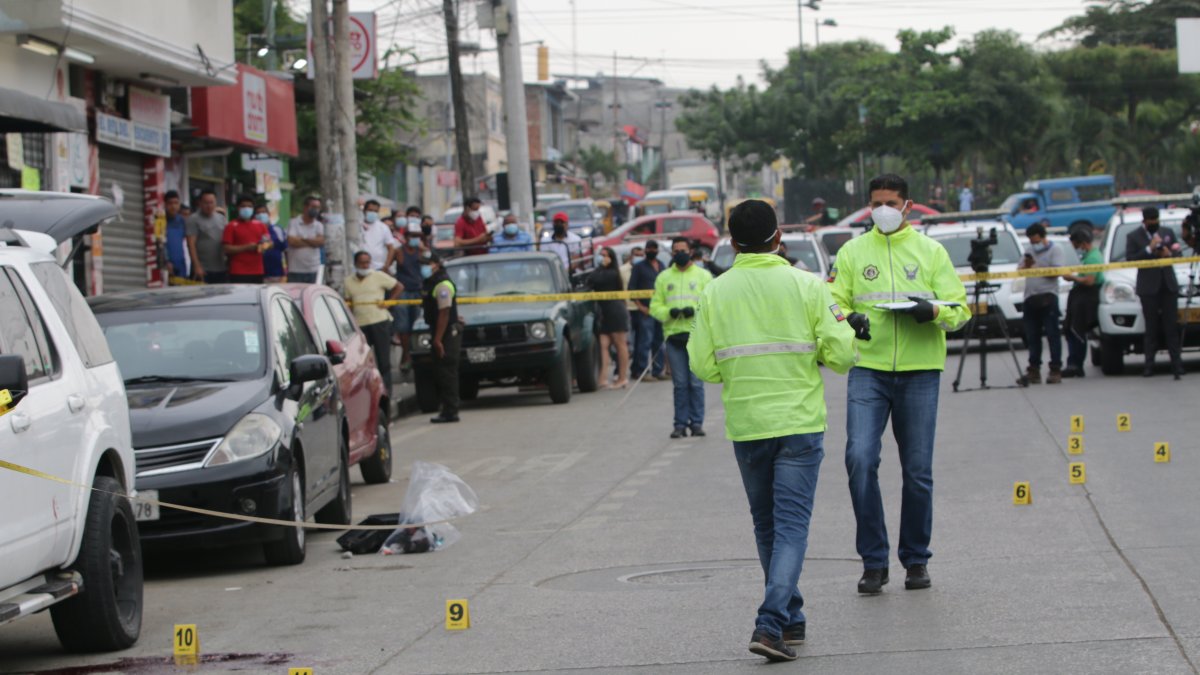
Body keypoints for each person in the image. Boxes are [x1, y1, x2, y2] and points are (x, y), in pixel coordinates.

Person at [689, 199, 856, 663]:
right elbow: (843, 355)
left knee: (767, 525)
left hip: (748, 424)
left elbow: (702, 365)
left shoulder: (714, 292)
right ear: (778, 236)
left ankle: (790, 616)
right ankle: (769, 621)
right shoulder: (807, 285)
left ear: (732, 240)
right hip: (800, 422)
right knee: (792, 527)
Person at [829, 173, 971, 595]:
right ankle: (874, 560)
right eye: (876, 203)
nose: (883, 210)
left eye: (891, 202)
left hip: (920, 370)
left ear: (908, 205)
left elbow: (960, 310)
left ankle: (915, 559)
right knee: (859, 459)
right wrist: (849, 319)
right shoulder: (853, 252)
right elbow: (833, 302)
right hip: (868, 369)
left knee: (918, 470)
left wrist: (933, 313)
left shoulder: (931, 252)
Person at [651, 237, 713, 438]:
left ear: (691, 251)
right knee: (679, 384)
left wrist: (693, 310)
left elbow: (711, 304)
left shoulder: (704, 276)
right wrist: (669, 312)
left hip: (696, 337)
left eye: (683, 249)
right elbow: (655, 305)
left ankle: (696, 423)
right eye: (676, 250)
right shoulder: (664, 277)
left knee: (695, 383)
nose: (679, 253)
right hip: (674, 337)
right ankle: (679, 424)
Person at [1127, 206, 1184, 379]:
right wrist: (1148, 249)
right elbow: (1130, 259)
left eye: (1156, 220)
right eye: (1151, 220)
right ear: (1144, 221)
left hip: (1168, 285)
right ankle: (1149, 366)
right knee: (1151, 328)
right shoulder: (1134, 236)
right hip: (1148, 288)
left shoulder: (1167, 232)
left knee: (1171, 327)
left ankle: (1177, 365)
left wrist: (1170, 253)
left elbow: (1178, 253)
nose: (1154, 223)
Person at [345, 250, 402, 397]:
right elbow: (348, 303)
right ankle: (369, 394)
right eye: (362, 263)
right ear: (355, 264)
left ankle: (387, 394)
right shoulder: (348, 282)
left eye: (367, 262)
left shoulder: (378, 276)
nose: (365, 265)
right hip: (360, 325)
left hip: (380, 322)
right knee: (363, 362)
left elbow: (399, 286)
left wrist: (389, 302)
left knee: (384, 362)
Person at [1020, 221, 1065, 384]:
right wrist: (1027, 265)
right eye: (1031, 241)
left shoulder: (1055, 249)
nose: (1034, 244)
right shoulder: (1029, 251)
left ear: (1042, 237)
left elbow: (1057, 271)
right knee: (1032, 336)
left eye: (1035, 240)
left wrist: (1038, 267)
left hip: (1048, 297)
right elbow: (1020, 270)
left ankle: (1055, 369)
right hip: (1030, 298)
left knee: (1053, 335)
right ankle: (1034, 369)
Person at [421, 251, 462, 423]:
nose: (424, 267)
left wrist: (437, 340)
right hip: (443, 330)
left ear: (436, 264)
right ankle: (448, 409)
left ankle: (450, 411)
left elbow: (444, 313)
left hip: (445, 333)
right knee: (443, 371)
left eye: (427, 263)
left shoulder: (442, 284)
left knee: (446, 371)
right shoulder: (434, 282)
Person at [1061, 228, 1105, 378]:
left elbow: (1089, 280)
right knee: (1072, 330)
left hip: (1086, 298)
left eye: (1076, 246)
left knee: (1077, 331)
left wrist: (1071, 278)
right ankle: (1074, 363)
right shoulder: (1090, 256)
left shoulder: (1093, 258)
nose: (1077, 250)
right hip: (1080, 297)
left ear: (1083, 244)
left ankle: (1075, 364)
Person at [591, 246, 631, 388]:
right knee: (603, 345)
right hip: (604, 312)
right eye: (600, 255)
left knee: (620, 344)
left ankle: (622, 377)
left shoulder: (612, 273)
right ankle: (602, 378)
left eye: (605, 256)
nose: (602, 258)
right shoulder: (600, 271)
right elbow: (590, 281)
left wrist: (601, 267)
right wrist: (600, 267)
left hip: (615, 311)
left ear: (611, 258)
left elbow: (596, 279)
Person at [630, 241, 667, 380]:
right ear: (645, 250)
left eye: (654, 248)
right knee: (644, 341)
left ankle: (658, 371)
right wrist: (641, 307)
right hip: (645, 311)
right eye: (649, 248)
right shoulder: (639, 267)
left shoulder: (662, 265)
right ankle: (642, 371)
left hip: (660, 310)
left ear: (657, 250)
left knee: (659, 341)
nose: (651, 250)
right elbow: (631, 289)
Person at [392, 220, 424, 366]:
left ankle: (414, 353)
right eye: (413, 236)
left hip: (418, 290)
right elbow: (386, 267)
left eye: (418, 236)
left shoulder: (421, 250)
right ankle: (406, 355)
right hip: (403, 292)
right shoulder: (398, 251)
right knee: (403, 326)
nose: (416, 238)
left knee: (416, 324)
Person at [221, 195, 270, 284]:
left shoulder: (260, 225)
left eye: (250, 206)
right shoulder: (231, 226)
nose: (247, 209)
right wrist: (246, 247)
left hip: (257, 270)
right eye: (243, 206)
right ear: (238, 208)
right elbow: (226, 248)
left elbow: (268, 243)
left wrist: (261, 247)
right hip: (238, 271)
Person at [185, 189, 229, 283]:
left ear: (215, 203)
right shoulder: (193, 219)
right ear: (200, 203)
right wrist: (197, 266)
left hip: (221, 267)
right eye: (206, 203)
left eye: (211, 202)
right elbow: (191, 244)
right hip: (203, 269)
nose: (209, 206)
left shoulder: (221, 218)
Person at [287, 196, 325, 283]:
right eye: (313, 207)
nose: (316, 210)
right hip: (295, 270)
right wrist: (313, 242)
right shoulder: (293, 222)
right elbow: (292, 241)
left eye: (318, 208)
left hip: (314, 269)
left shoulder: (319, 225)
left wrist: (302, 238)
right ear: (305, 207)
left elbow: (321, 242)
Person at [362, 199, 396, 271]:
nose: (373, 213)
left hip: (378, 267)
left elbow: (391, 247)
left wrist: (387, 265)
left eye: (375, 211)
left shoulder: (383, 227)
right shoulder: (357, 225)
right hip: (360, 267)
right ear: (364, 211)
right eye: (370, 210)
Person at [257, 205, 288, 283]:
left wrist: (286, 272)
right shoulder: (252, 231)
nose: (261, 215)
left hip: (276, 274)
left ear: (269, 214)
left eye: (263, 212)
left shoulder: (277, 229)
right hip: (257, 273)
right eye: (258, 213)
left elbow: (285, 250)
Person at [163, 190, 189, 282]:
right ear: (165, 204)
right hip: (166, 266)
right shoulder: (160, 221)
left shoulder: (182, 221)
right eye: (170, 203)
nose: (173, 206)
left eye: (176, 203)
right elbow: (160, 244)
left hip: (181, 265)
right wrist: (166, 261)